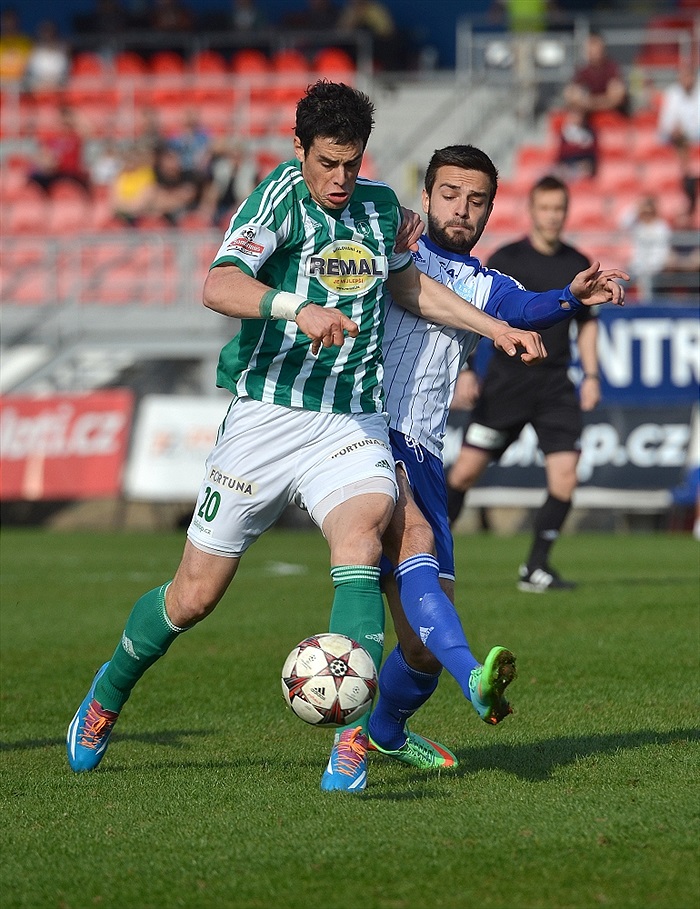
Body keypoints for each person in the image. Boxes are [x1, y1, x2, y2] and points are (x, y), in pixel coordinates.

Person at [66, 80, 553, 795]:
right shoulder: (279, 199)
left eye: (352, 164)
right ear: (299, 150)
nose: (339, 179)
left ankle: (352, 739)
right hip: (266, 419)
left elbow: (407, 288)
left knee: (360, 540)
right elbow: (219, 283)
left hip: (349, 421)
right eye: (327, 162)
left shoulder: (382, 209)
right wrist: (297, 309)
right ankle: (108, 691)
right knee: (193, 596)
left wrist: (498, 326)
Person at [367, 153, 627, 757]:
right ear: (427, 196)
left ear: (489, 208)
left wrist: (569, 296)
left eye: (477, 199)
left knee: (422, 647)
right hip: (371, 435)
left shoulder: (482, 281)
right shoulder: (392, 246)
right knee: (395, 585)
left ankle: (385, 732)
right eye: (450, 193)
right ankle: (455, 692)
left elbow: (524, 307)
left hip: (426, 454)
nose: (462, 208)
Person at [446, 175, 604, 592]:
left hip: (554, 388)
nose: (552, 217)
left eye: (559, 209)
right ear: (532, 211)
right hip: (505, 387)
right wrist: (464, 370)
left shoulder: (578, 262)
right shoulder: (505, 259)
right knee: (463, 475)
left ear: (565, 213)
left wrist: (591, 375)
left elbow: (586, 326)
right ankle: (426, 555)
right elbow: (475, 319)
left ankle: (535, 568)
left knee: (565, 478)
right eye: (545, 208)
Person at [657, 63, 700, 214]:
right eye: (683, 76)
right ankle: (685, 173)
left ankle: (687, 174)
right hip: (674, 139)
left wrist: (686, 131)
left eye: (689, 76)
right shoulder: (672, 93)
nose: (686, 80)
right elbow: (665, 124)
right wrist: (676, 130)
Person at [564, 32, 629, 118]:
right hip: (587, 117)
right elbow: (571, 95)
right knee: (573, 116)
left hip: (614, 115)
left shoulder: (612, 69)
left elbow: (617, 97)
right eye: (589, 48)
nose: (592, 51)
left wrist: (589, 103)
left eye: (594, 47)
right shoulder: (582, 71)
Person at [620, 194, 672, 302]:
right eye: (644, 212)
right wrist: (638, 207)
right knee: (620, 281)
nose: (646, 215)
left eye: (649, 212)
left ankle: (646, 309)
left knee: (647, 285)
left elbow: (662, 251)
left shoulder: (661, 227)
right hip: (636, 266)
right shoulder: (638, 225)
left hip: (653, 269)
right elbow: (623, 222)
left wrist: (651, 268)